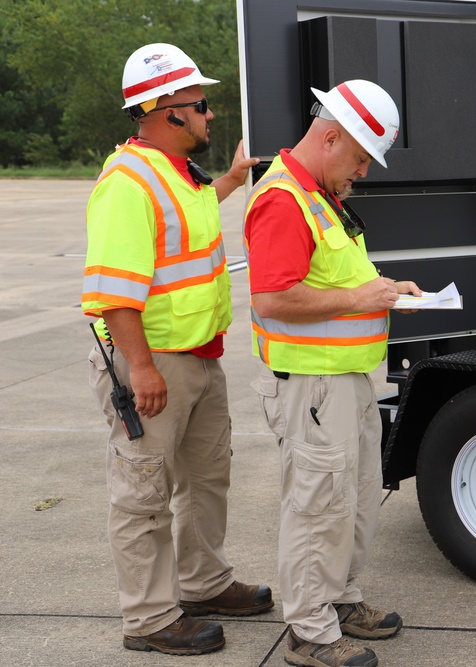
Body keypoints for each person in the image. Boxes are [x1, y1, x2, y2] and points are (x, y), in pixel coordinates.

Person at [82, 42, 272, 656]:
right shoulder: (126, 182)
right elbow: (113, 292)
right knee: (144, 495)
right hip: (155, 363)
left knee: (207, 478)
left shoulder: (177, 174)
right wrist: (140, 368)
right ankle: (150, 617)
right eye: (202, 104)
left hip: (197, 357)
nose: (210, 115)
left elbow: (188, 217)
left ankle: (204, 583)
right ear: (167, 109)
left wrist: (234, 182)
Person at [243, 80, 419, 667]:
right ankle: (310, 634)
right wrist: (362, 297)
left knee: (356, 499)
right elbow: (272, 299)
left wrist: (388, 291)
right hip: (312, 386)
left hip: (342, 380)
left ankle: (339, 602)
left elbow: (333, 282)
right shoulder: (283, 200)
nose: (363, 170)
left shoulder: (316, 196)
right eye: (361, 156)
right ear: (331, 135)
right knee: (319, 510)